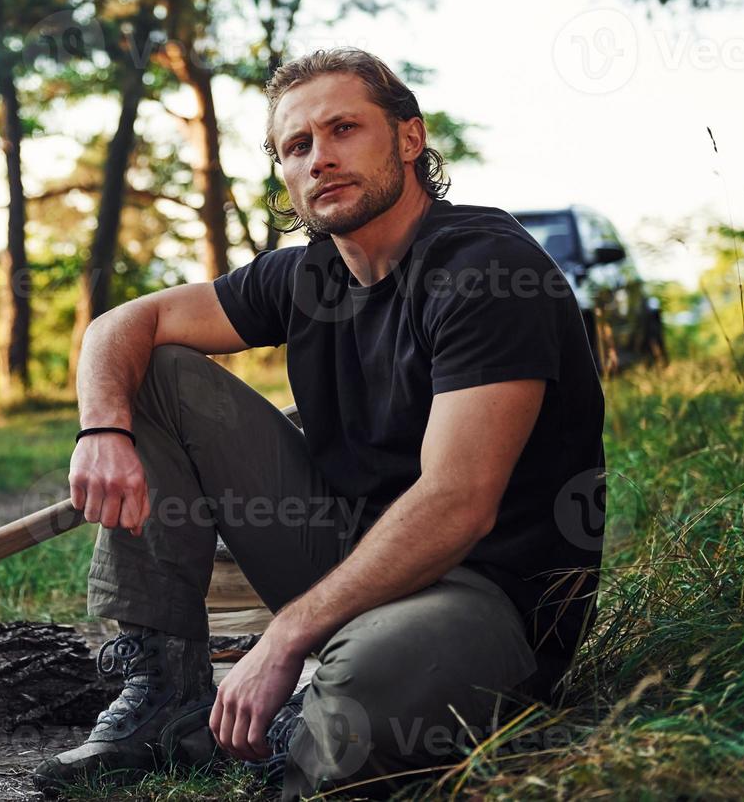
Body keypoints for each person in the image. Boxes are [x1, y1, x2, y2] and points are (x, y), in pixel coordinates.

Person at [33, 48, 606, 800]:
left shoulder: (486, 271)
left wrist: (286, 635)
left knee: (353, 703)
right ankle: (166, 699)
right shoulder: (307, 274)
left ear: (408, 138)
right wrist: (102, 432)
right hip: (348, 555)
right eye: (297, 146)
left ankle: (298, 732)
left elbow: (458, 504)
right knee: (155, 369)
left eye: (344, 129)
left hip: (482, 590)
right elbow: (123, 323)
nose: (321, 158)